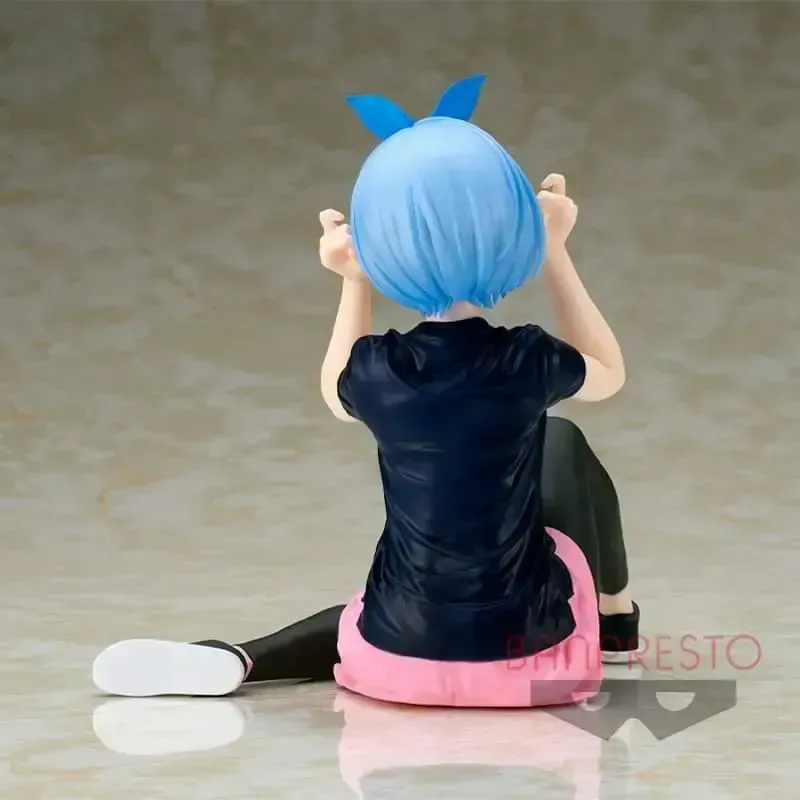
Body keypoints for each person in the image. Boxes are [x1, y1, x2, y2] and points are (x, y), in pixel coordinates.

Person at [92, 76, 639, 706]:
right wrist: (557, 251)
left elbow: (334, 389)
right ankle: (617, 621)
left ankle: (240, 657)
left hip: (393, 658)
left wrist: (353, 281)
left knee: (386, 603)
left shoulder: (380, 369)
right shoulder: (529, 359)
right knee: (562, 442)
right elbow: (607, 371)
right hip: (531, 663)